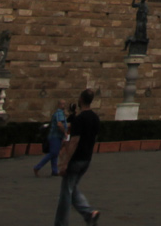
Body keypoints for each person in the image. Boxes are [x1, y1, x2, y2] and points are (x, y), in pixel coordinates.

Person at [55, 88, 101, 226]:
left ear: (81, 100)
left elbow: (74, 141)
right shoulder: (95, 118)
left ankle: (62, 223)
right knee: (72, 188)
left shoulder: (80, 119)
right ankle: (89, 214)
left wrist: (64, 163)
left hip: (76, 159)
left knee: (66, 193)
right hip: (87, 159)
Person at [36, 101, 67, 176]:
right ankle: (37, 167)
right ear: (59, 105)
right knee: (53, 153)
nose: (64, 105)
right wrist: (65, 132)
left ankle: (54, 171)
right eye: (62, 104)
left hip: (55, 136)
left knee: (55, 153)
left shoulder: (58, 113)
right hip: (55, 136)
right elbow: (59, 124)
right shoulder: (59, 113)